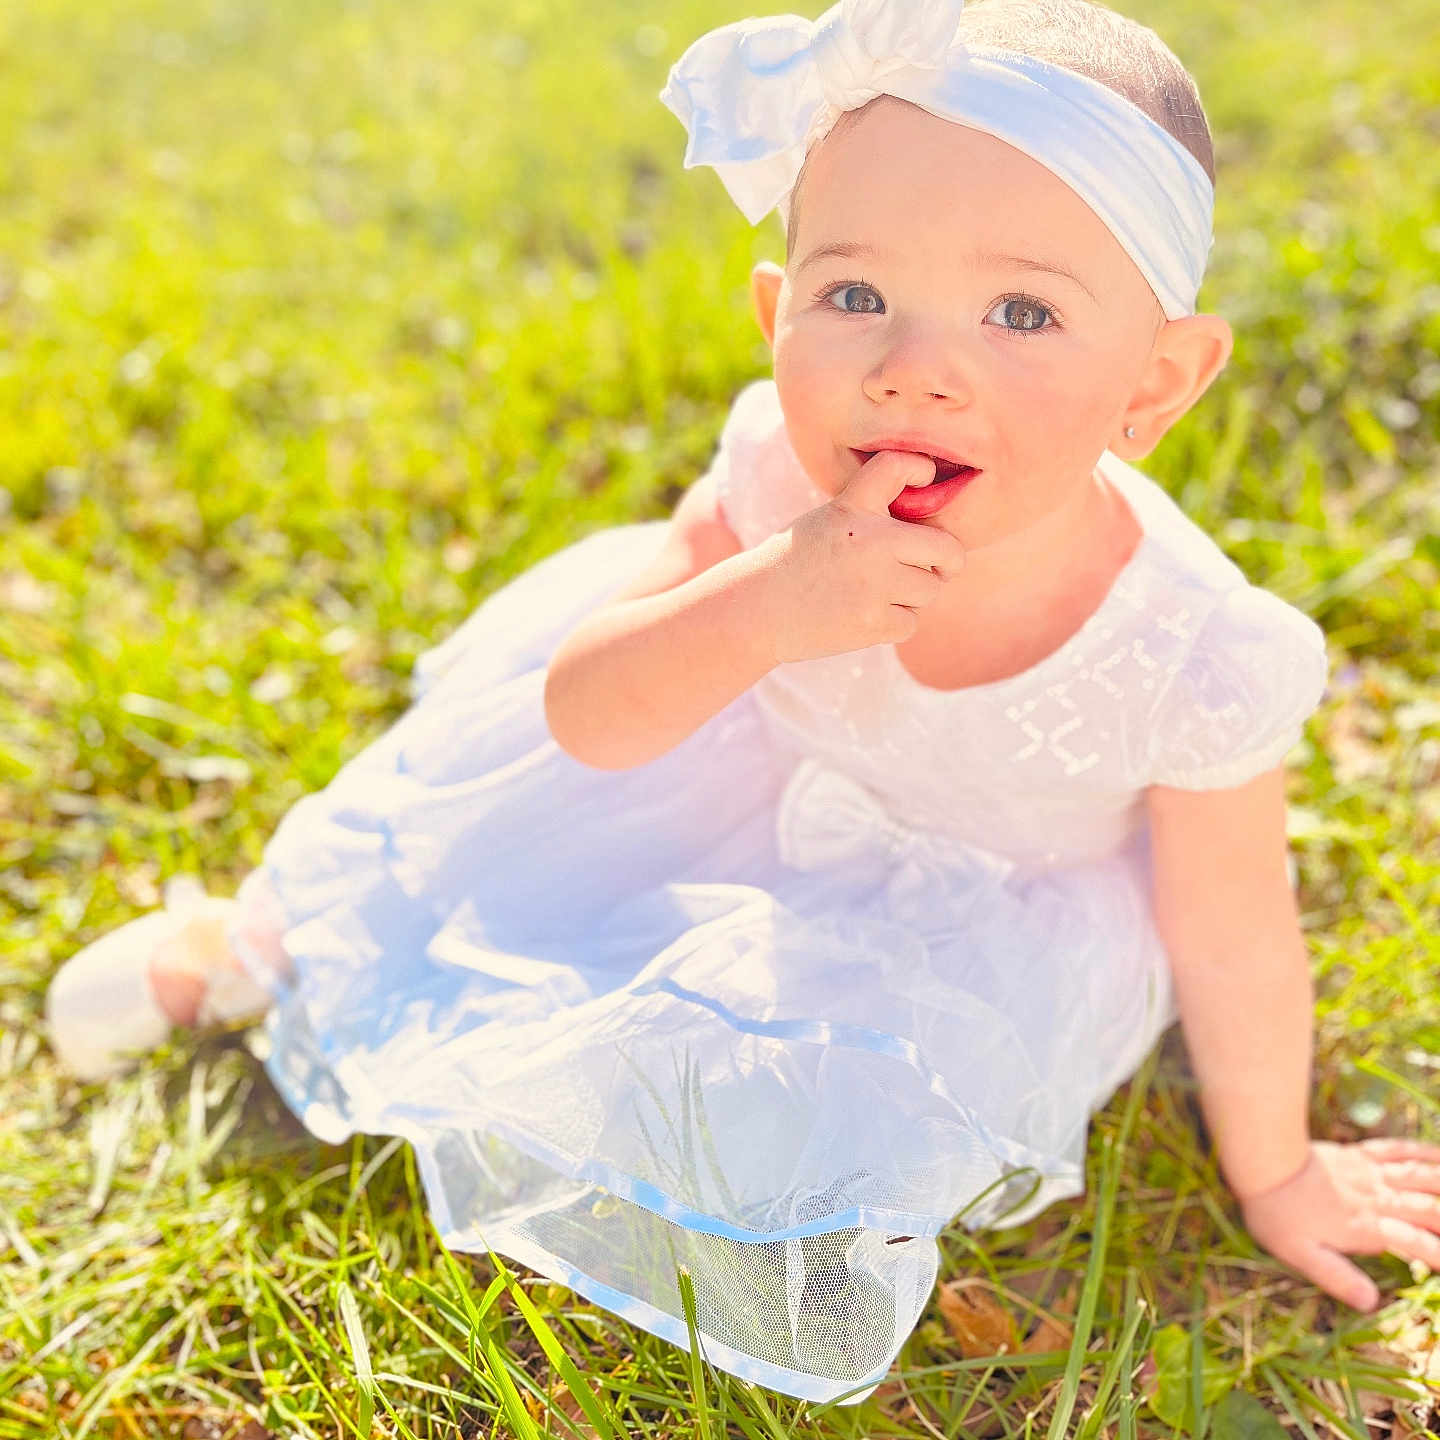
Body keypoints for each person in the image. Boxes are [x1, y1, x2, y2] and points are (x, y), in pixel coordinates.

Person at [45, 0, 1440, 1406]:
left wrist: (1276, 1165)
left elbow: (1234, 928)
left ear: (1154, 384)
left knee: (772, 1118)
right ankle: (275, 944)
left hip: (966, 909)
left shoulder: (1192, 649)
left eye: (1022, 312)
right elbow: (585, 721)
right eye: (855, 296)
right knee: (472, 878)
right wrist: (765, 605)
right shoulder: (774, 476)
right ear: (777, 316)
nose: (917, 365)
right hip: (715, 776)